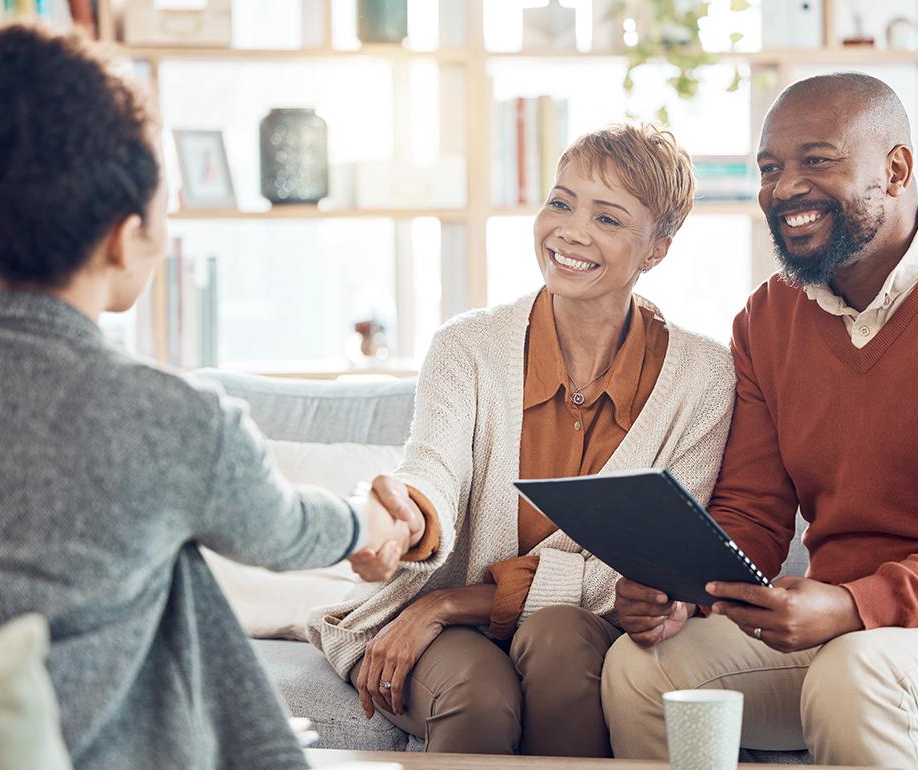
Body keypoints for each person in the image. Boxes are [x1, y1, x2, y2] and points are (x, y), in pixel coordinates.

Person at [0, 25, 429, 770]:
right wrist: (371, 518)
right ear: (125, 239)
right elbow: (285, 531)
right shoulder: (171, 417)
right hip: (84, 751)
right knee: (179, 569)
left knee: (170, 552)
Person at [600, 72, 918, 770]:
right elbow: (755, 514)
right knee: (642, 670)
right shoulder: (766, 319)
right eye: (771, 168)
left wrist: (854, 606)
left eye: (816, 160)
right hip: (841, 629)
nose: (784, 188)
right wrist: (683, 591)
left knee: (857, 674)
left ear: (896, 169)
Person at [308, 123, 737, 756]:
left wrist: (457, 602)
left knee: (561, 640)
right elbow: (432, 472)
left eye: (609, 219)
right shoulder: (467, 347)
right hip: (441, 622)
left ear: (658, 249)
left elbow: (648, 563)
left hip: (578, 628)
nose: (570, 231)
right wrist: (402, 523)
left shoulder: (705, 378)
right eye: (560, 202)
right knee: (478, 696)